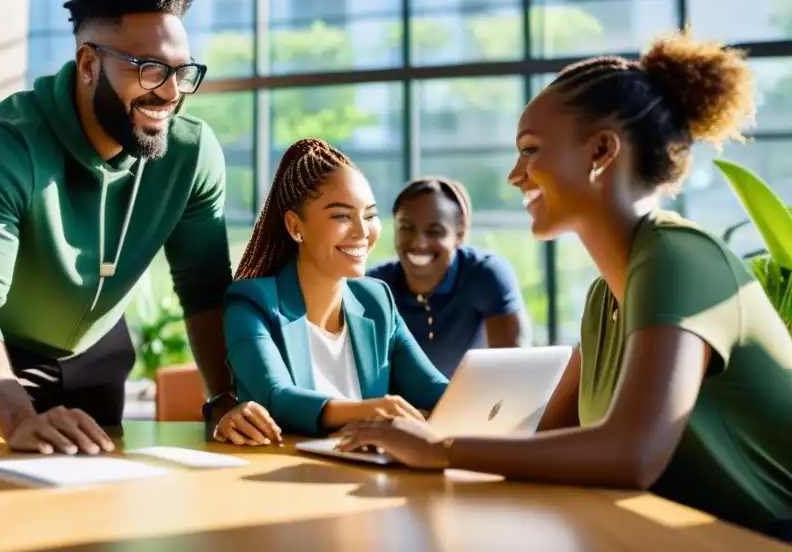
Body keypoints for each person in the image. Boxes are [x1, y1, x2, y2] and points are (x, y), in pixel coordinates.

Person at [336, 29, 792, 538]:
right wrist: (419, 442)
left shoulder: (678, 256)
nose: (515, 175)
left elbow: (631, 455)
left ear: (601, 151)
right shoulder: (606, 296)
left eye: (530, 150)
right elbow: (550, 438)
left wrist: (439, 449)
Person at [0, 0, 279, 454]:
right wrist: (17, 416)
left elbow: (205, 291)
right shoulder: (4, 142)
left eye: (181, 71)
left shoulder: (190, 153)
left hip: (95, 353)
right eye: (150, 69)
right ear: (88, 64)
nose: (170, 93)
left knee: (92, 509)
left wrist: (224, 399)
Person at [222, 138, 448, 440]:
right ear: (294, 226)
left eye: (369, 215)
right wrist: (371, 411)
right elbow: (277, 397)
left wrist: (491, 398)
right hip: (285, 475)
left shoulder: (377, 301)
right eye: (342, 215)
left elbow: (431, 388)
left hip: (367, 474)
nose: (362, 232)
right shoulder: (251, 304)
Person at [368, 177, 530, 377]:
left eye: (435, 231)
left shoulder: (485, 275)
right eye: (406, 228)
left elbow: (514, 367)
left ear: (459, 235)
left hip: (473, 403)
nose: (419, 243)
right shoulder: (375, 286)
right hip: (400, 407)